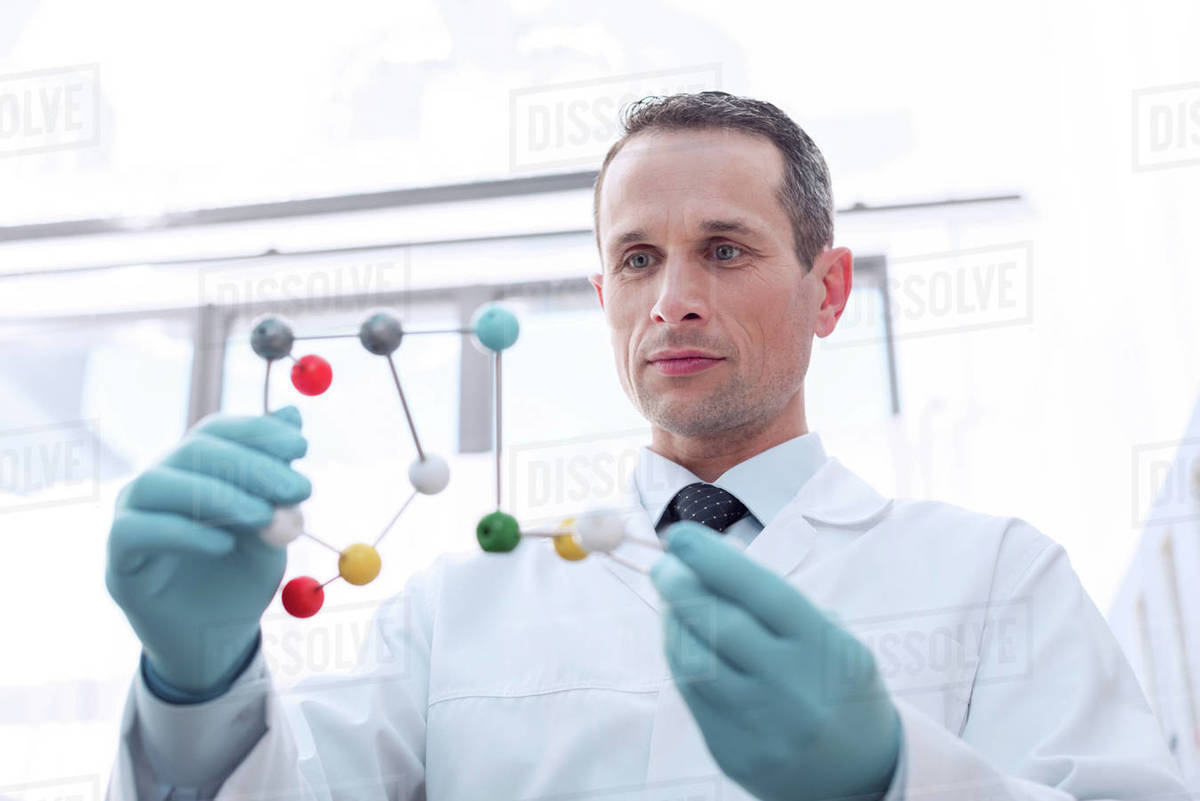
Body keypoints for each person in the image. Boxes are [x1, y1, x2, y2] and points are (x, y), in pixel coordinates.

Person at [104, 91, 1187, 801]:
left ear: (828, 290)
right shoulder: (459, 606)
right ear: (604, 298)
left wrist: (895, 776)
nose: (672, 300)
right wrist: (197, 691)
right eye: (636, 260)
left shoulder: (995, 576)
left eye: (725, 249)